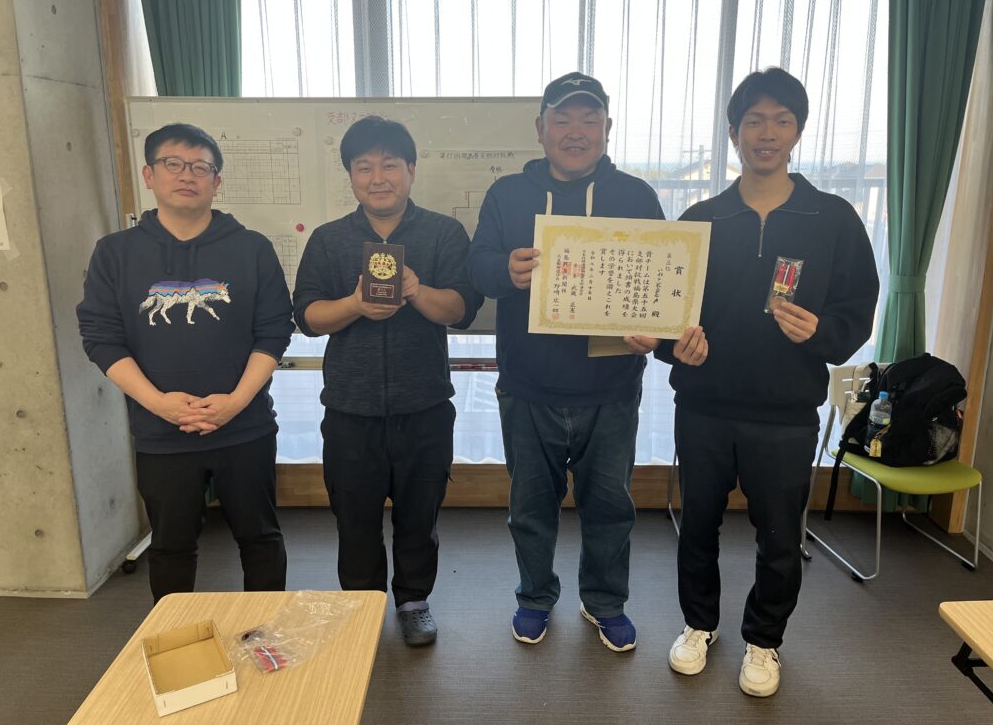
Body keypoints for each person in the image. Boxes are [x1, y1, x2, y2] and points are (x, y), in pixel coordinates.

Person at [656, 67, 879, 696]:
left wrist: (823, 332)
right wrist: (676, 349)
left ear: (798, 131)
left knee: (780, 537)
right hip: (703, 407)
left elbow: (858, 307)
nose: (767, 132)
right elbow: (667, 310)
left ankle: (764, 639)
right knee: (697, 527)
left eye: (782, 120)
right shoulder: (701, 218)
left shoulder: (832, 218)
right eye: (754, 120)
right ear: (734, 132)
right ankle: (699, 625)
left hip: (785, 413)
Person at [467, 72, 664, 652]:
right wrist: (505, 270)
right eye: (563, 118)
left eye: (589, 119)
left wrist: (653, 328)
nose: (576, 131)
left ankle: (605, 602)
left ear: (608, 128)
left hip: (612, 387)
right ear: (540, 127)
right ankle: (534, 597)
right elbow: (477, 267)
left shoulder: (636, 196)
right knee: (530, 507)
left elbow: (659, 280)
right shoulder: (508, 194)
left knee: (610, 507)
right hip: (529, 386)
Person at [77, 123, 293, 604]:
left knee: (260, 538)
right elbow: (101, 338)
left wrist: (236, 402)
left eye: (200, 167)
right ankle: (175, 640)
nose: (186, 175)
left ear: (217, 181)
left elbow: (274, 330)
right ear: (149, 175)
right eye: (173, 164)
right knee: (171, 547)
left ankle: (265, 635)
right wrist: (160, 404)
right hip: (161, 432)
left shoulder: (252, 248)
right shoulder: (115, 253)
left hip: (245, 427)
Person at [293, 116, 483, 647]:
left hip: (424, 406)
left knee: (420, 516)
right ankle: (361, 603)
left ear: (411, 170)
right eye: (365, 167)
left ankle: (413, 600)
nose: (378, 178)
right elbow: (306, 316)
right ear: (351, 176)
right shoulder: (329, 240)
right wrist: (355, 305)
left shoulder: (443, 233)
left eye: (390, 165)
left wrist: (417, 291)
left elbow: (461, 309)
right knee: (353, 516)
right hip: (350, 409)